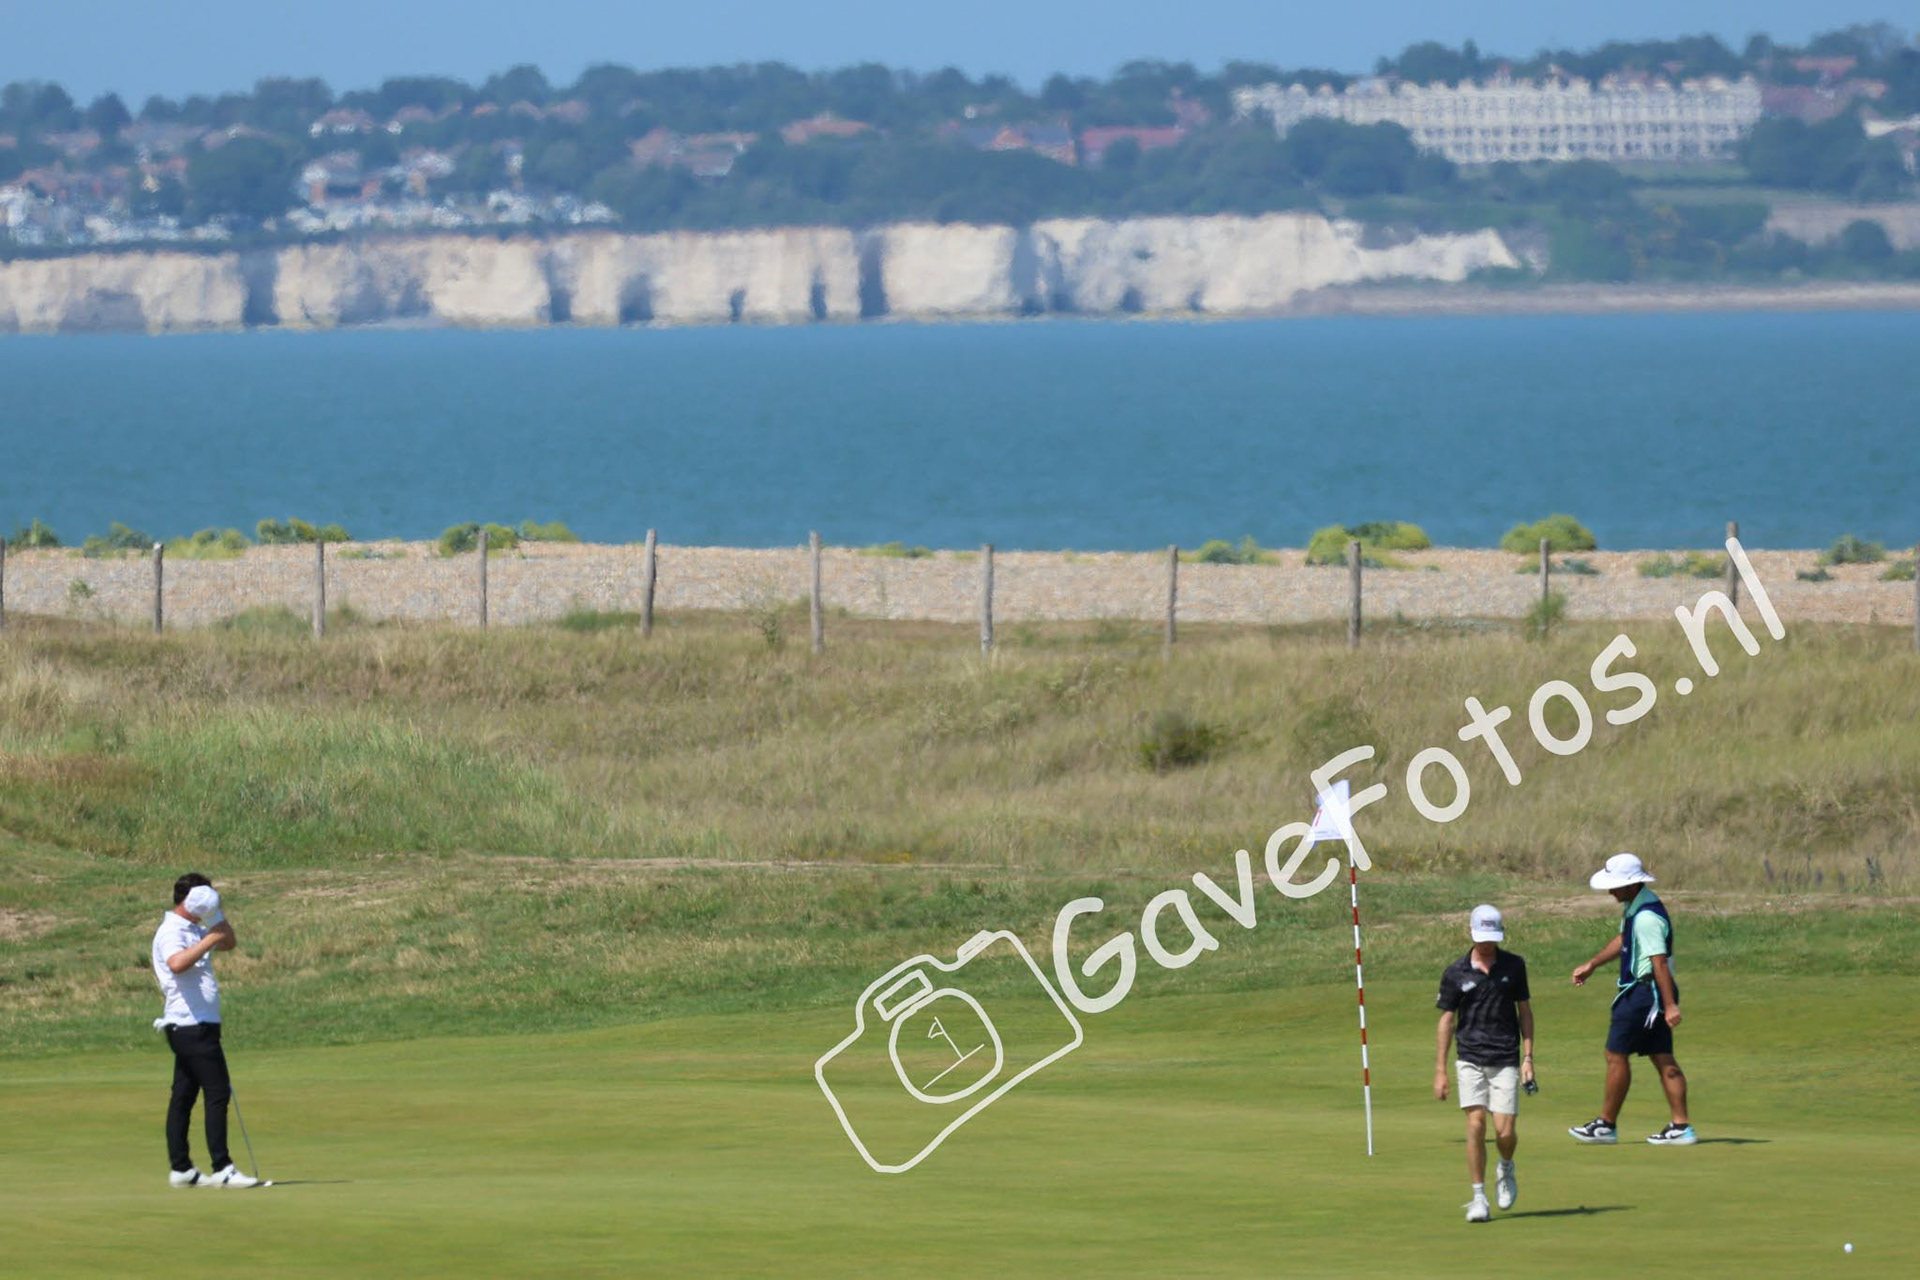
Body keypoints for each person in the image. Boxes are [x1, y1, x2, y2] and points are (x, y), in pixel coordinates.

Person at [1567, 852, 1696, 1146]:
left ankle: (1606, 1125)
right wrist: (1593, 964)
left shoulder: (1647, 918)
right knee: (1662, 1056)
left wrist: (1670, 1004)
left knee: (1615, 1054)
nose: (1610, 891)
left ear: (1631, 884)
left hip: (1644, 993)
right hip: (1653, 993)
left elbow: (1658, 962)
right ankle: (1681, 1127)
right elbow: (1624, 940)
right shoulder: (1638, 908)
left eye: (1615, 885)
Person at [151, 873, 260, 1187]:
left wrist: (215, 924)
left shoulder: (195, 927)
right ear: (189, 902)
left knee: (183, 1095)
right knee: (217, 1092)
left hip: (197, 1023)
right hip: (190, 1024)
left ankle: (181, 1169)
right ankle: (223, 1167)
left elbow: (229, 941)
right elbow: (176, 964)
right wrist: (210, 937)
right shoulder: (171, 931)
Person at [1434, 904, 1534, 1223]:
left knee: (1505, 1134)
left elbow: (1525, 1013)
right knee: (1476, 1123)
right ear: (1472, 933)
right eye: (1482, 938)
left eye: (1492, 938)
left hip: (1505, 1058)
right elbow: (1447, 1020)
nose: (1487, 944)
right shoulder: (1455, 972)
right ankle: (1479, 1197)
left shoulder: (1514, 966)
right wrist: (1440, 1070)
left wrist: (1529, 1056)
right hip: (1470, 1058)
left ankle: (1505, 1167)